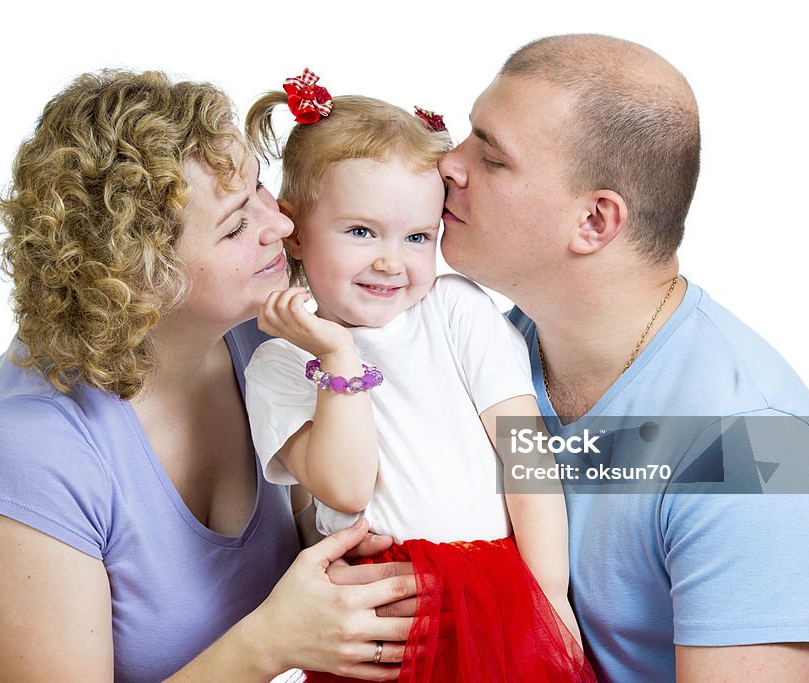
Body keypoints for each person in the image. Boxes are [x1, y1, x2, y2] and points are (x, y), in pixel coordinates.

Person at [0, 69, 420, 683]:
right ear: (142, 280)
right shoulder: (30, 445)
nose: (282, 226)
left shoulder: (261, 332)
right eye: (236, 225)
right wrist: (271, 642)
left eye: (259, 190)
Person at [438, 34, 809, 682]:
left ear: (595, 220)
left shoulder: (756, 445)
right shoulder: (479, 353)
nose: (447, 166)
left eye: (490, 158)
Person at [241, 73, 594, 682]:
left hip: (490, 588)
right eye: (360, 231)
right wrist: (337, 357)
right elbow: (348, 489)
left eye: (416, 237)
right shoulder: (278, 363)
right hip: (375, 610)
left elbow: (525, 453)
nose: (390, 260)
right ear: (294, 230)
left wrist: (550, 597)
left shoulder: (454, 308)